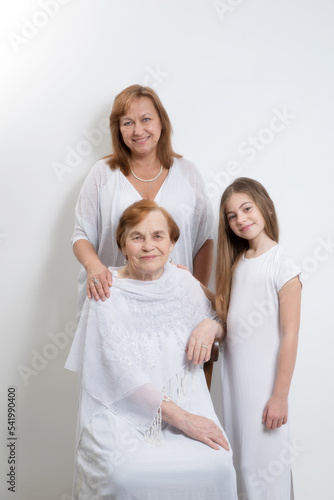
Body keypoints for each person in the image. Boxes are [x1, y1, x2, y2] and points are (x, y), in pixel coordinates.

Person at [65, 200, 237, 500]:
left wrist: (212, 327)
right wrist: (184, 419)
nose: (148, 246)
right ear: (122, 245)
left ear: (172, 243)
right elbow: (119, 375)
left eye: (158, 236)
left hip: (188, 405)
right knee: (126, 476)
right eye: (137, 237)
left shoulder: (184, 283)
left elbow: (225, 321)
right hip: (119, 413)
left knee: (219, 465)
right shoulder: (105, 292)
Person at [72, 84, 214, 319]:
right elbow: (81, 235)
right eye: (127, 122)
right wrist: (94, 266)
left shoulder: (188, 173)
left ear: (161, 122)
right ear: (118, 129)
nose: (138, 130)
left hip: (175, 304)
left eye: (146, 119)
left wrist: (194, 290)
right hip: (113, 303)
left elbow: (204, 239)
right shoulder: (102, 174)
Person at [215, 177, 302, 500]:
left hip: (265, 392)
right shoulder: (238, 264)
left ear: (263, 206)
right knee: (244, 469)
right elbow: (230, 320)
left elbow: (289, 336)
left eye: (246, 209)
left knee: (265, 472)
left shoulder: (282, 264)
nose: (240, 219)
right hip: (236, 392)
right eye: (231, 216)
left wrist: (280, 396)